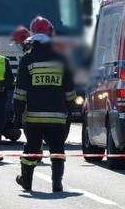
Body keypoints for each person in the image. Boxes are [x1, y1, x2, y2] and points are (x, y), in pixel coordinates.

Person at [13, 17, 77, 192]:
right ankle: (57, 183)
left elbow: (20, 91)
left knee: (32, 149)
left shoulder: (27, 58)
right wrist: (73, 107)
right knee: (57, 149)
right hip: (57, 116)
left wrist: (17, 114)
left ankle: (26, 181)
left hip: (33, 116)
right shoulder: (62, 57)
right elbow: (69, 88)